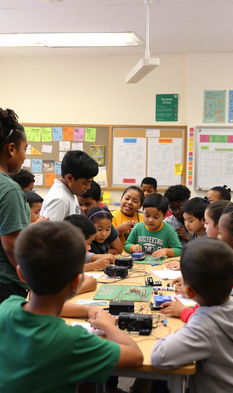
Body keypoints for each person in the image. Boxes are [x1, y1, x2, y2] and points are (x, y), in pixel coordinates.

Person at [0, 221, 143, 393]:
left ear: (20, 273)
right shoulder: (72, 341)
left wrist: (88, 310)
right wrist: (108, 325)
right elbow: (135, 356)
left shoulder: (7, 307)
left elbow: (44, 307)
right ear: (77, 282)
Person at [152, 238, 233, 393]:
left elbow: (159, 357)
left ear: (190, 292)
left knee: (162, 382)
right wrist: (192, 286)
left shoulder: (205, 326)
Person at [0, 108, 30, 303]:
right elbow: (12, 246)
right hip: (6, 286)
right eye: (25, 149)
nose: (25, 156)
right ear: (11, 149)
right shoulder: (10, 189)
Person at [40, 150, 98, 221]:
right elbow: (50, 231)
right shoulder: (59, 200)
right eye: (85, 183)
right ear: (70, 178)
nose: (88, 187)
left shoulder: (70, 193)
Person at [124, 193, 182, 258]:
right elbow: (126, 245)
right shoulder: (138, 227)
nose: (150, 220)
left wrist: (166, 251)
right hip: (141, 264)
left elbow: (179, 250)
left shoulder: (169, 230)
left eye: (156, 217)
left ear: (165, 216)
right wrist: (132, 247)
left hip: (161, 265)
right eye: (147, 215)